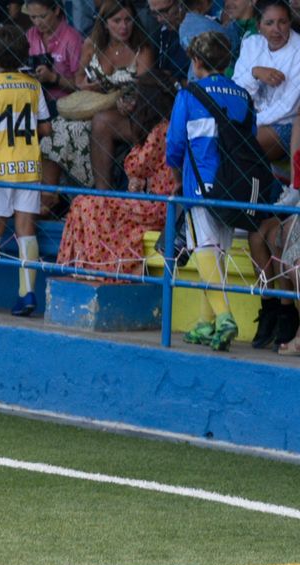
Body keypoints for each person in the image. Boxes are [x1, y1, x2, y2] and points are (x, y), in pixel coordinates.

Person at [167, 31, 262, 351]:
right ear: (227, 60)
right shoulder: (243, 95)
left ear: (196, 61)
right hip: (234, 184)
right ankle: (204, 324)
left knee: (204, 249)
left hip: (201, 183)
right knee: (216, 252)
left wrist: (176, 175)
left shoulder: (189, 94)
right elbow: (251, 138)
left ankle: (224, 317)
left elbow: (175, 144)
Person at [0, 25, 53, 316]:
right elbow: (46, 128)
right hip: (29, 166)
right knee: (25, 228)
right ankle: (27, 294)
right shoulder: (33, 85)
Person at [57, 73, 177, 277]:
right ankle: (85, 266)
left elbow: (135, 166)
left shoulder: (161, 129)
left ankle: (95, 267)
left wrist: (137, 134)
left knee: (88, 204)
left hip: (159, 206)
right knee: (83, 202)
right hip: (152, 202)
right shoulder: (162, 126)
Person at [42, 1, 152, 191]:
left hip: (126, 110)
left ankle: (101, 192)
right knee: (56, 127)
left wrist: (128, 100)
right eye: (116, 21)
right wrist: (84, 85)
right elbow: (78, 79)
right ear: (105, 23)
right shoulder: (91, 45)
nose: (123, 26)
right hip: (91, 106)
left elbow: (147, 90)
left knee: (92, 124)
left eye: (128, 20)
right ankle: (50, 195)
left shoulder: (142, 50)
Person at [232, 0, 300, 161]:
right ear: (258, 26)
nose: (276, 29)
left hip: (284, 123)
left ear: (290, 22)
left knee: (241, 145)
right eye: (269, 23)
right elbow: (237, 90)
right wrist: (254, 73)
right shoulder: (251, 44)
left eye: (282, 22)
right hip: (249, 118)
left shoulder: (298, 51)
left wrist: (249, 123)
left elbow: (287, 107)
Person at [23, 0, 86, 101]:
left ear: (56, 10)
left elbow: (81, 85)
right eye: (33, 17)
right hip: (35, 100)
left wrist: (52, 77)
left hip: (65, 103)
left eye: (43, 16)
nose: (37, 23)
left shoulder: (72, 40)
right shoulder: (31, 34)